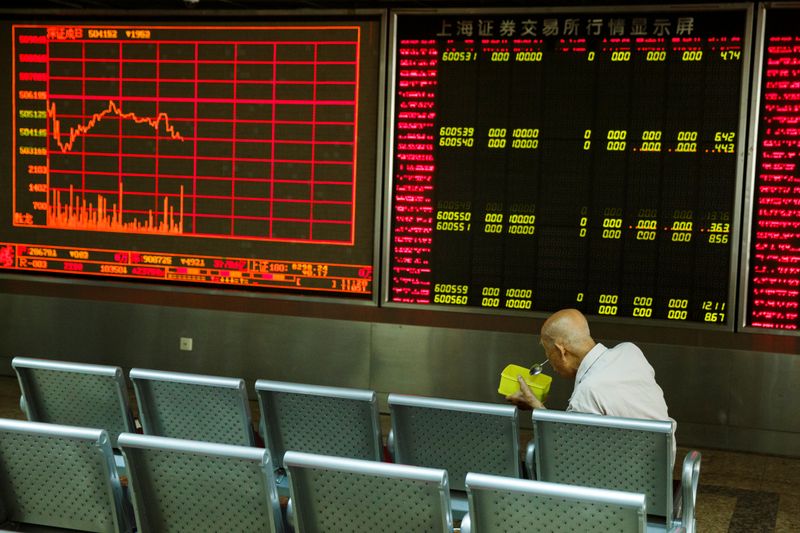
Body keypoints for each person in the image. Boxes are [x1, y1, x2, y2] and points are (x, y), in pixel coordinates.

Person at [506, 308, 675, 447]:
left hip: (626, 481)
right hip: (661, 469)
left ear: (561, 351)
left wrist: (536, 406)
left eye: (547, 352)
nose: (548, 361)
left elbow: (563, 451)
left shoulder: (588, 392)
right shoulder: (631, 351)